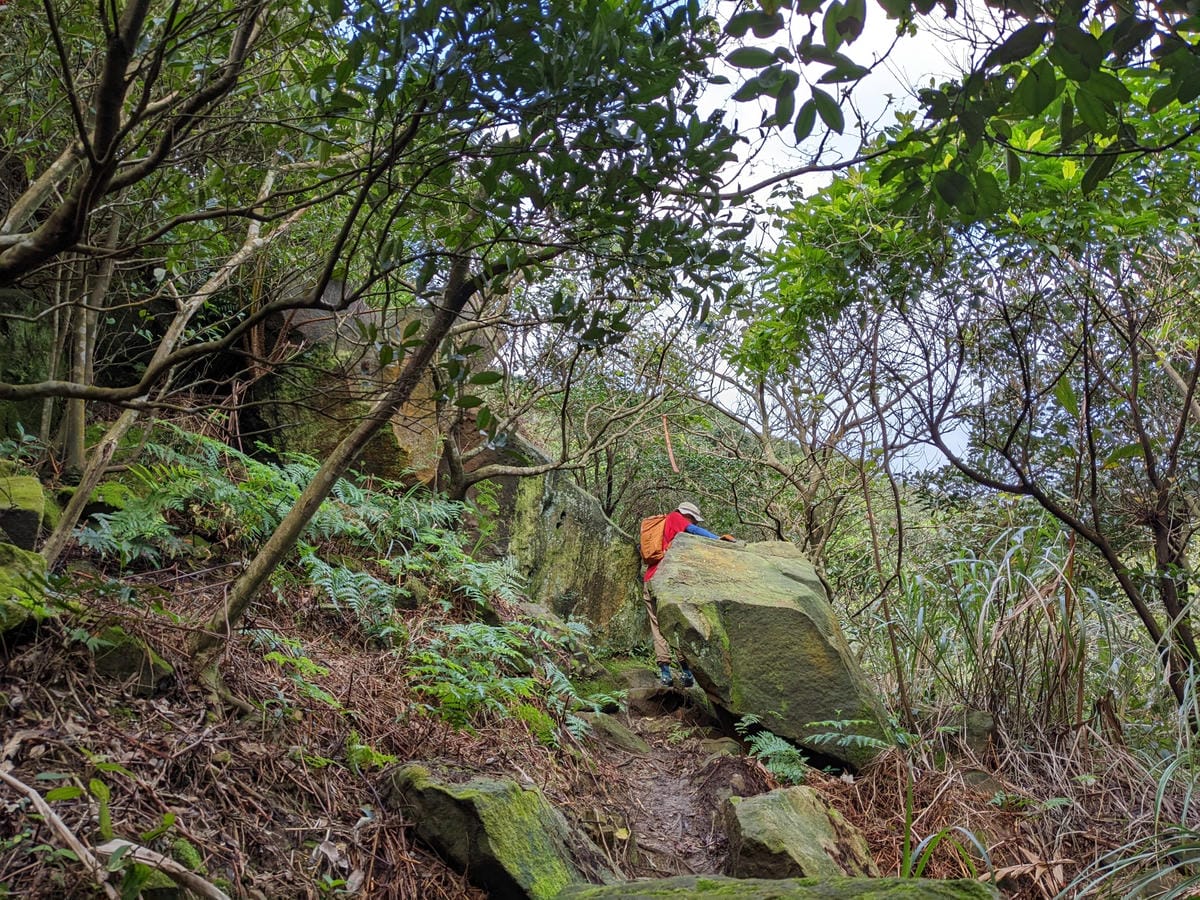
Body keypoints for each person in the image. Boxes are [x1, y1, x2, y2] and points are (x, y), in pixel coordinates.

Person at [643, 501, 734, 687]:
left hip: (650, 578)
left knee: (658, 625)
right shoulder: (676, 518)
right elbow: (693, 530)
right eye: (693, 519)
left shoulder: (666, 526)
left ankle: (666, 673)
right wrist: (717, 539)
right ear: (687, 515)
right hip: (665, 579)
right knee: (676, 624)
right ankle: (684, 672)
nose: (694, 522)